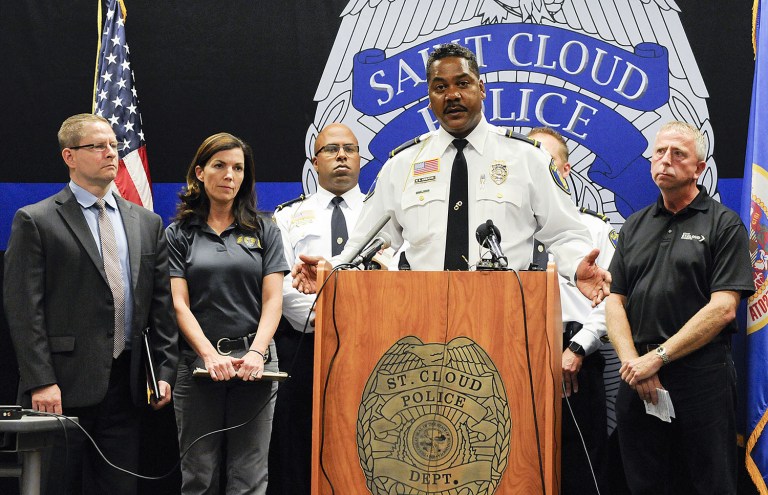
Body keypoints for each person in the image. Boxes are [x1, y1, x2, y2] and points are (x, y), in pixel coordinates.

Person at [291, 43, 610, 304]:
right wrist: (329, 269)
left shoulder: (527, 158)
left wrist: (577, 267)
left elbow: (564, 232)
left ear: (481, 89)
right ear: (429, 97)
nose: (452, 95)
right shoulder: (402, 166)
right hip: (420, 313)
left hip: (504, 313)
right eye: (440, 87)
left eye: (462, 84)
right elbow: (366, 242)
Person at [3, 113, 178, 495]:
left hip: (127, 387)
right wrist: (41, 380)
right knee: (55, 486)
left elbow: (161, 307)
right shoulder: (36, 220)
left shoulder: (147, 223)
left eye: (114, 145)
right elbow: (23, 310)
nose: (110, 153)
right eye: (97, 146)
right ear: (69, 156)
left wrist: (163, 371)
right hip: (60, 388)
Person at [605, 121, 754, 494]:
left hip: (700, 380)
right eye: (659, 152)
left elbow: (723, 309)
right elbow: (614, 301)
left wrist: (658, 357)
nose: (665, 160)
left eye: (678, 154)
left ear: (699, 168)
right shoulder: (634, 226)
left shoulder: (723, 224)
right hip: (638, 381)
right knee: (645, 485)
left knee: (710, 485)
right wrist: (634, 364)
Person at [166, 133, 288, 494]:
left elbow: (274, 301)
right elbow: (177, 303)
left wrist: (256, 352)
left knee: (249, 477)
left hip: (256, 362)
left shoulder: (265, 229)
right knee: (198, 474)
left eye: (237, 168)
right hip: (198, 364)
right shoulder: (179, 233)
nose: (229, 175)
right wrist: (208, 354)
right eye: (219, 166)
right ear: (200, 173)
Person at [268, 123, 364, 494]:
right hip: (303, 349)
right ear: (314, 161)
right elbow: (285, 288)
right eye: (331, 150)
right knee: (297, 441)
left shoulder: (384, 213)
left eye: (349, 149)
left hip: (367, 345)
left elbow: (391, 277)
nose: (341, 156)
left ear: (359, 158)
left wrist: (353, 318)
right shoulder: (287, 217)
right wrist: (332, 317)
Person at [528, 127, 617, 495]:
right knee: (515, 459)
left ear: (564, 172)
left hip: (576, 353)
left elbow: (611, 298)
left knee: (581, 468)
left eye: (545, 163)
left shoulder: (592, 229)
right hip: (514, 350)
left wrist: (577, 347)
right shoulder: (503, 231)